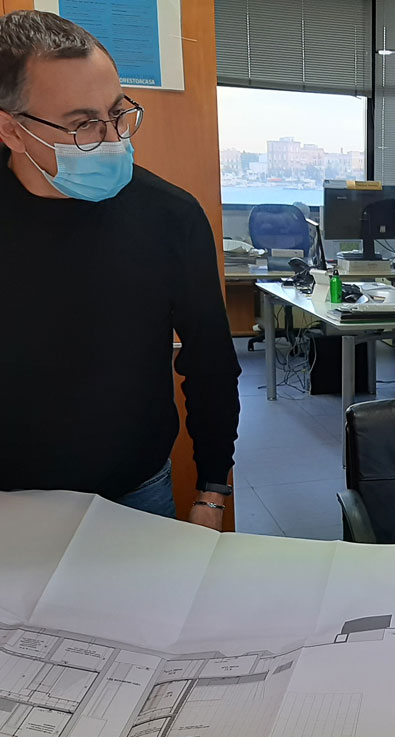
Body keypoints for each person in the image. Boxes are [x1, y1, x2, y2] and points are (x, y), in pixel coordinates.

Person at [0, 10, 241, 530]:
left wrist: (213, 490)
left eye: (117, 113)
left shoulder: (170, 216)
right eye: (82, 124)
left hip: (135, 491)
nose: (112, 139)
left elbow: (211, 362)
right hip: (9, 498)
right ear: (11, 130)